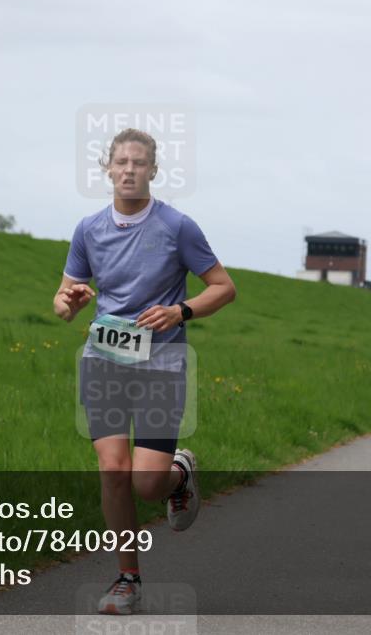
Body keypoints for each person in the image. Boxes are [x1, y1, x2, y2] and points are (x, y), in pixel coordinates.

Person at [53, 128, 236, 614]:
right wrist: (67, 301)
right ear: (106, 168)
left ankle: (178, 474)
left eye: (139, 162)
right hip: (104, 360)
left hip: (162, 365)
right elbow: (63, 300)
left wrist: (183, 312)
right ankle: (127, 579)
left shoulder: (178, 227)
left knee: (145, 483)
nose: (129, 169)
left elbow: (223, 287)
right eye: (121, 162)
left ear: (153, 170)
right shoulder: (88, 229)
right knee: (113, 470)